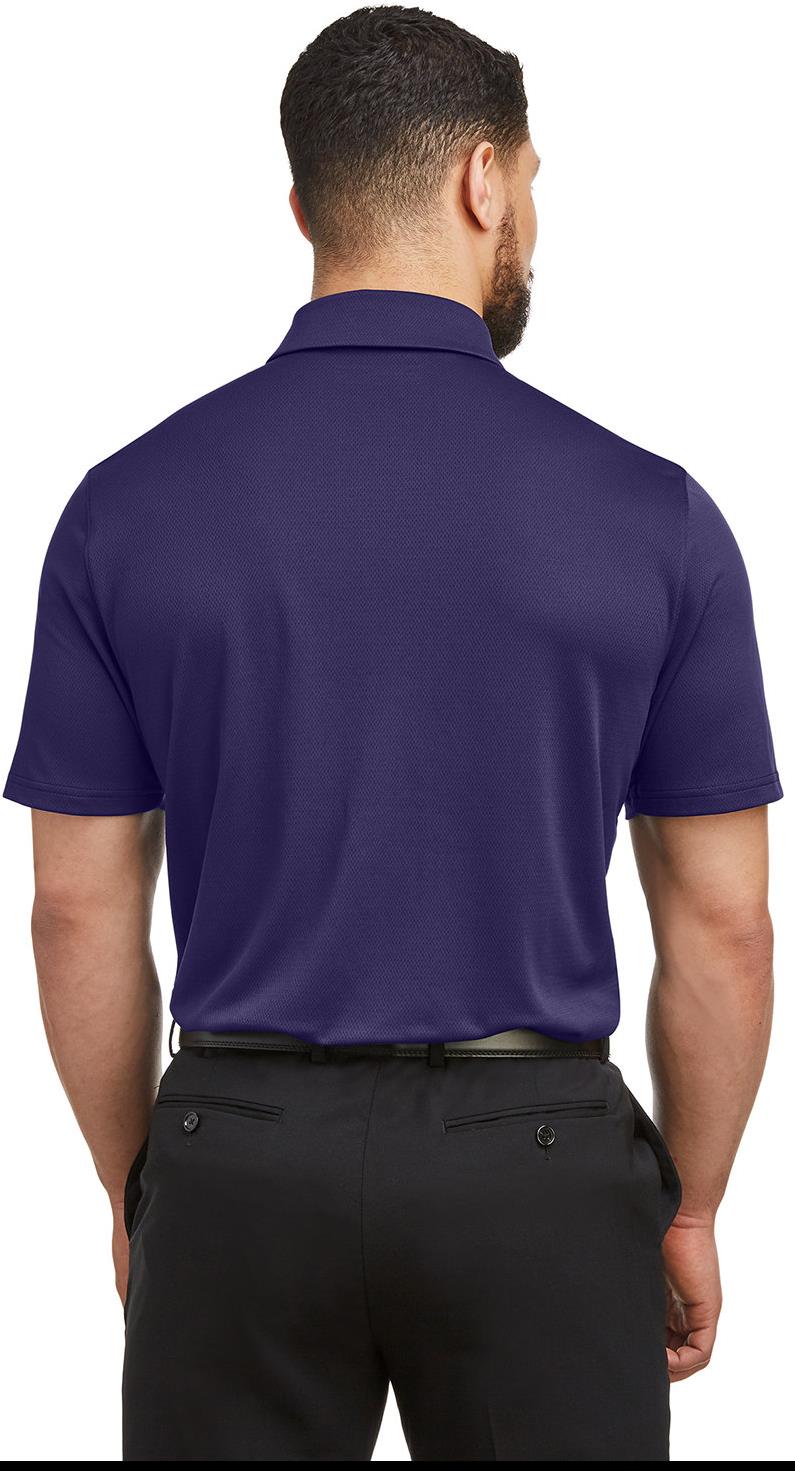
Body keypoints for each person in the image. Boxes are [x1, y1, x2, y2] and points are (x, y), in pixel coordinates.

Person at [4, 6, 781, 1462]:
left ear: (304, 205)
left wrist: (139, 1189)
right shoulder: (655, 518)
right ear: (484, 180)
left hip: (237, 1162)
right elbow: (724, 928)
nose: (532, 220)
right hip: (540, 1172)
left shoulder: (124, 508)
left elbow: (73, 909)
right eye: (533, 183)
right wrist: (690, 1205)